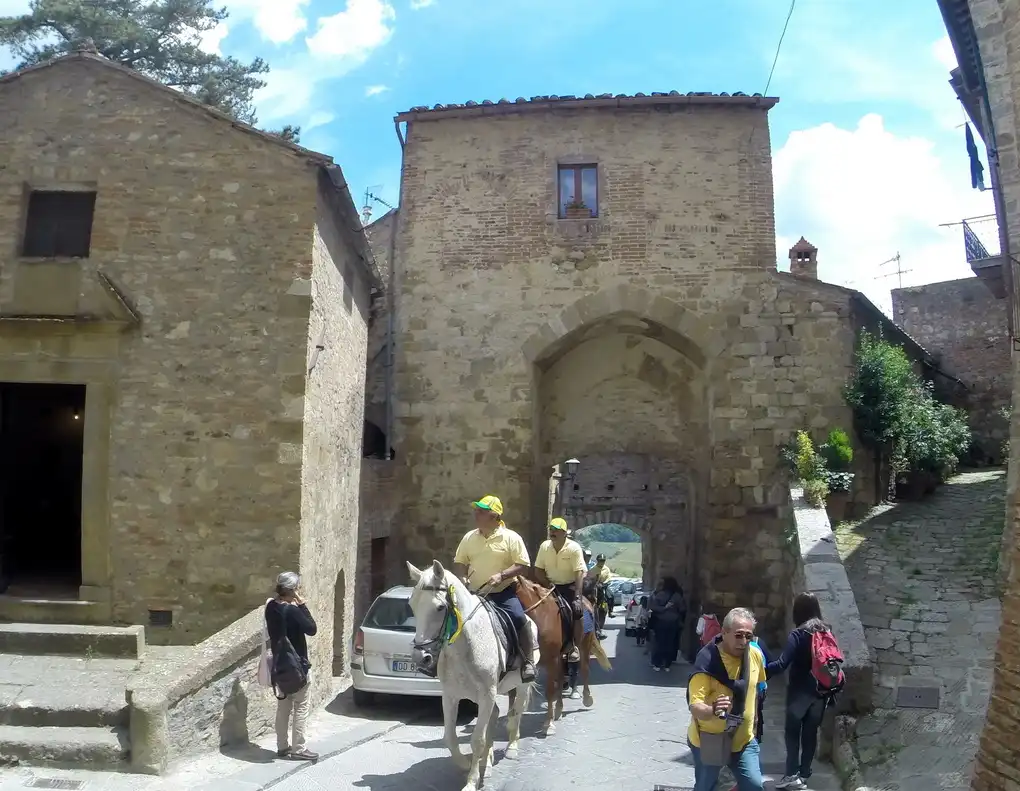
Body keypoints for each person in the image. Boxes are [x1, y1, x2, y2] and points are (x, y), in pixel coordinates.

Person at [453, 495, 536, 681]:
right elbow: (460, 561)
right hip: (474, 594)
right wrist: (462, 576)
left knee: (519, 617)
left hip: (502, 593)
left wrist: (502, 575)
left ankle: (528, 661)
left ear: (494, 516)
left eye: (481, 511)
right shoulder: (469, 537)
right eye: (476, 510)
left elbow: (523, 565)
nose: (476, 514)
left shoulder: (511, 538)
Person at [687, 607, 766, 791]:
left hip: (744, 739)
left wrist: (754, 722)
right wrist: (713, 709)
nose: (744, 641)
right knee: (705, 787)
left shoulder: (754, 655)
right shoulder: (706, 662)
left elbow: (756, 689)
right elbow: (695, 706)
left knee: (754, 786)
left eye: (748, 636)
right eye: (738, 635)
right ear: (724, 633)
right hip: (710, 741)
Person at [766, 592, 832, 790]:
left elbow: (782, 663)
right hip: (821, 692)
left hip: (799, 693)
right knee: (810, 734)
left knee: (792, 734)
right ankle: (804, 775)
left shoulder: (798, 634)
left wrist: (761, 671)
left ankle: (790, 775)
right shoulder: (827, 631)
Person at [264, 572, 318, 761]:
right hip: (298, 666)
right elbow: (312, 629)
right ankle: (299, 749)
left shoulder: (271, 607)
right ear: (293, 590)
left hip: (279, 665)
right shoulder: (293, 611)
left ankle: (282, 746)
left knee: (283, 707)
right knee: (301, 707)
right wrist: (302, 605)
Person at [534, 517, 587, 663]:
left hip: (569, 585)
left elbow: (579, 573)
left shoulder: (574, 548)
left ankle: (574, 646)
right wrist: (547, 583)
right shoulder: (544, 547)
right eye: (551, 529)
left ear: (564, 533)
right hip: (549, 586)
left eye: (557, 530)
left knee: (577, 611)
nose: (553, 532)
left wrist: (577, 597)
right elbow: (538, 570)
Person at [649, 576, 685, 671]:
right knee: (670, 643)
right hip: (673, 623)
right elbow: (682, 609)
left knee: (659, 642)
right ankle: (667, 664)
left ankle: (657, 663)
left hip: (661, 622)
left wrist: (663, 608)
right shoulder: (677, 596)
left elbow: (653, 607)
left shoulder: (660, 595)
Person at [586, 554, 613, 637]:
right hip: (595, 587)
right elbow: (589, 579)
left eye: (603, 561)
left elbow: (609, 578)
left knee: (611, 595)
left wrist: (604, 583)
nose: (602, 562)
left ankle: (610, 611)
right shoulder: (593, 569)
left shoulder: (606, 569)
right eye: (600, 560)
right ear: (597, 561)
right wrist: (596, 584)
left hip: (604, 586)